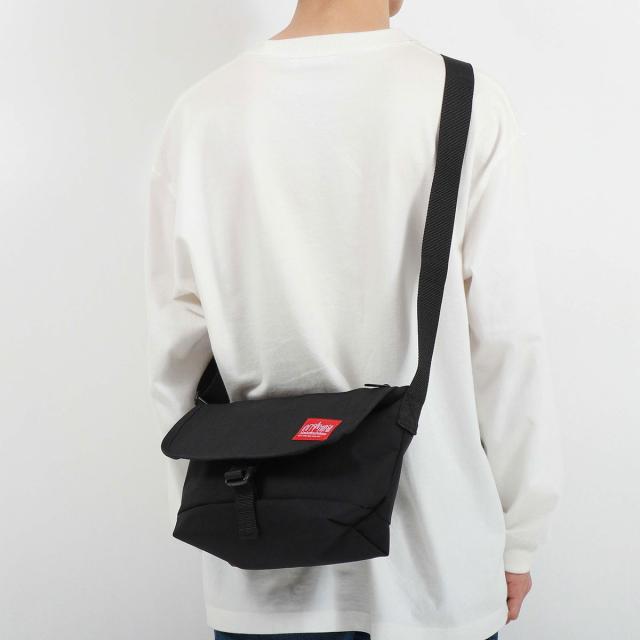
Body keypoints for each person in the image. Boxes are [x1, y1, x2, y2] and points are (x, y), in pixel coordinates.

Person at [144, 1, 563, 639]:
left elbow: (175, 353)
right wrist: (521, 534)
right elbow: (505, 340)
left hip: (259, 559)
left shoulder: (201, 113)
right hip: (435, 570)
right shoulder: (463, 99)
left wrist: (217, 507)